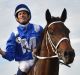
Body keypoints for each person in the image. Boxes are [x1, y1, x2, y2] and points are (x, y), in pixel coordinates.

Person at [0, 4, 43, 75]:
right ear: (17, 18)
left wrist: (38, 48)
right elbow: (10, 56)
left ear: (28, 16)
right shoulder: (14, 34)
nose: (22, 15)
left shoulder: (38, 28)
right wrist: (1, 51)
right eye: (19, 14)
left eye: (24, 13)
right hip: (25, 61)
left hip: (40, 57)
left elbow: (47, 41)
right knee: (24, 66)